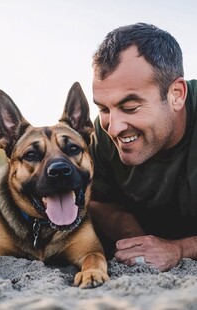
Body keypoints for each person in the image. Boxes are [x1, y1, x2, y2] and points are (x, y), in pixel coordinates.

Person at [89, 22, 197, 272]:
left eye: (130, 108)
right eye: (104, 109)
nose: (113, 128)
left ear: (177, 95)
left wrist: (178, 248)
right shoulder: (102, 133)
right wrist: (140, 243)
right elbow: (100, 202)